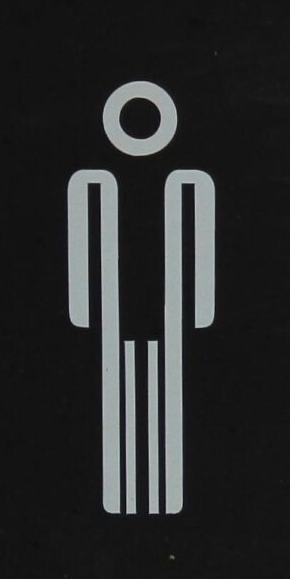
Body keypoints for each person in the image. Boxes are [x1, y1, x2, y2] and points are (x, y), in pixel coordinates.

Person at [68, 81, 215, 515]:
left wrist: (199, 309)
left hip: (167, 305)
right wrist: (85, 308)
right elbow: (86, 247)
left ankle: (165, 494)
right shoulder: (93, 182)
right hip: (118, 304)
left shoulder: (188, 182)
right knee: (120, 394)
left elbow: (198, 249)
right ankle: (122, 493)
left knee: (165, 395)